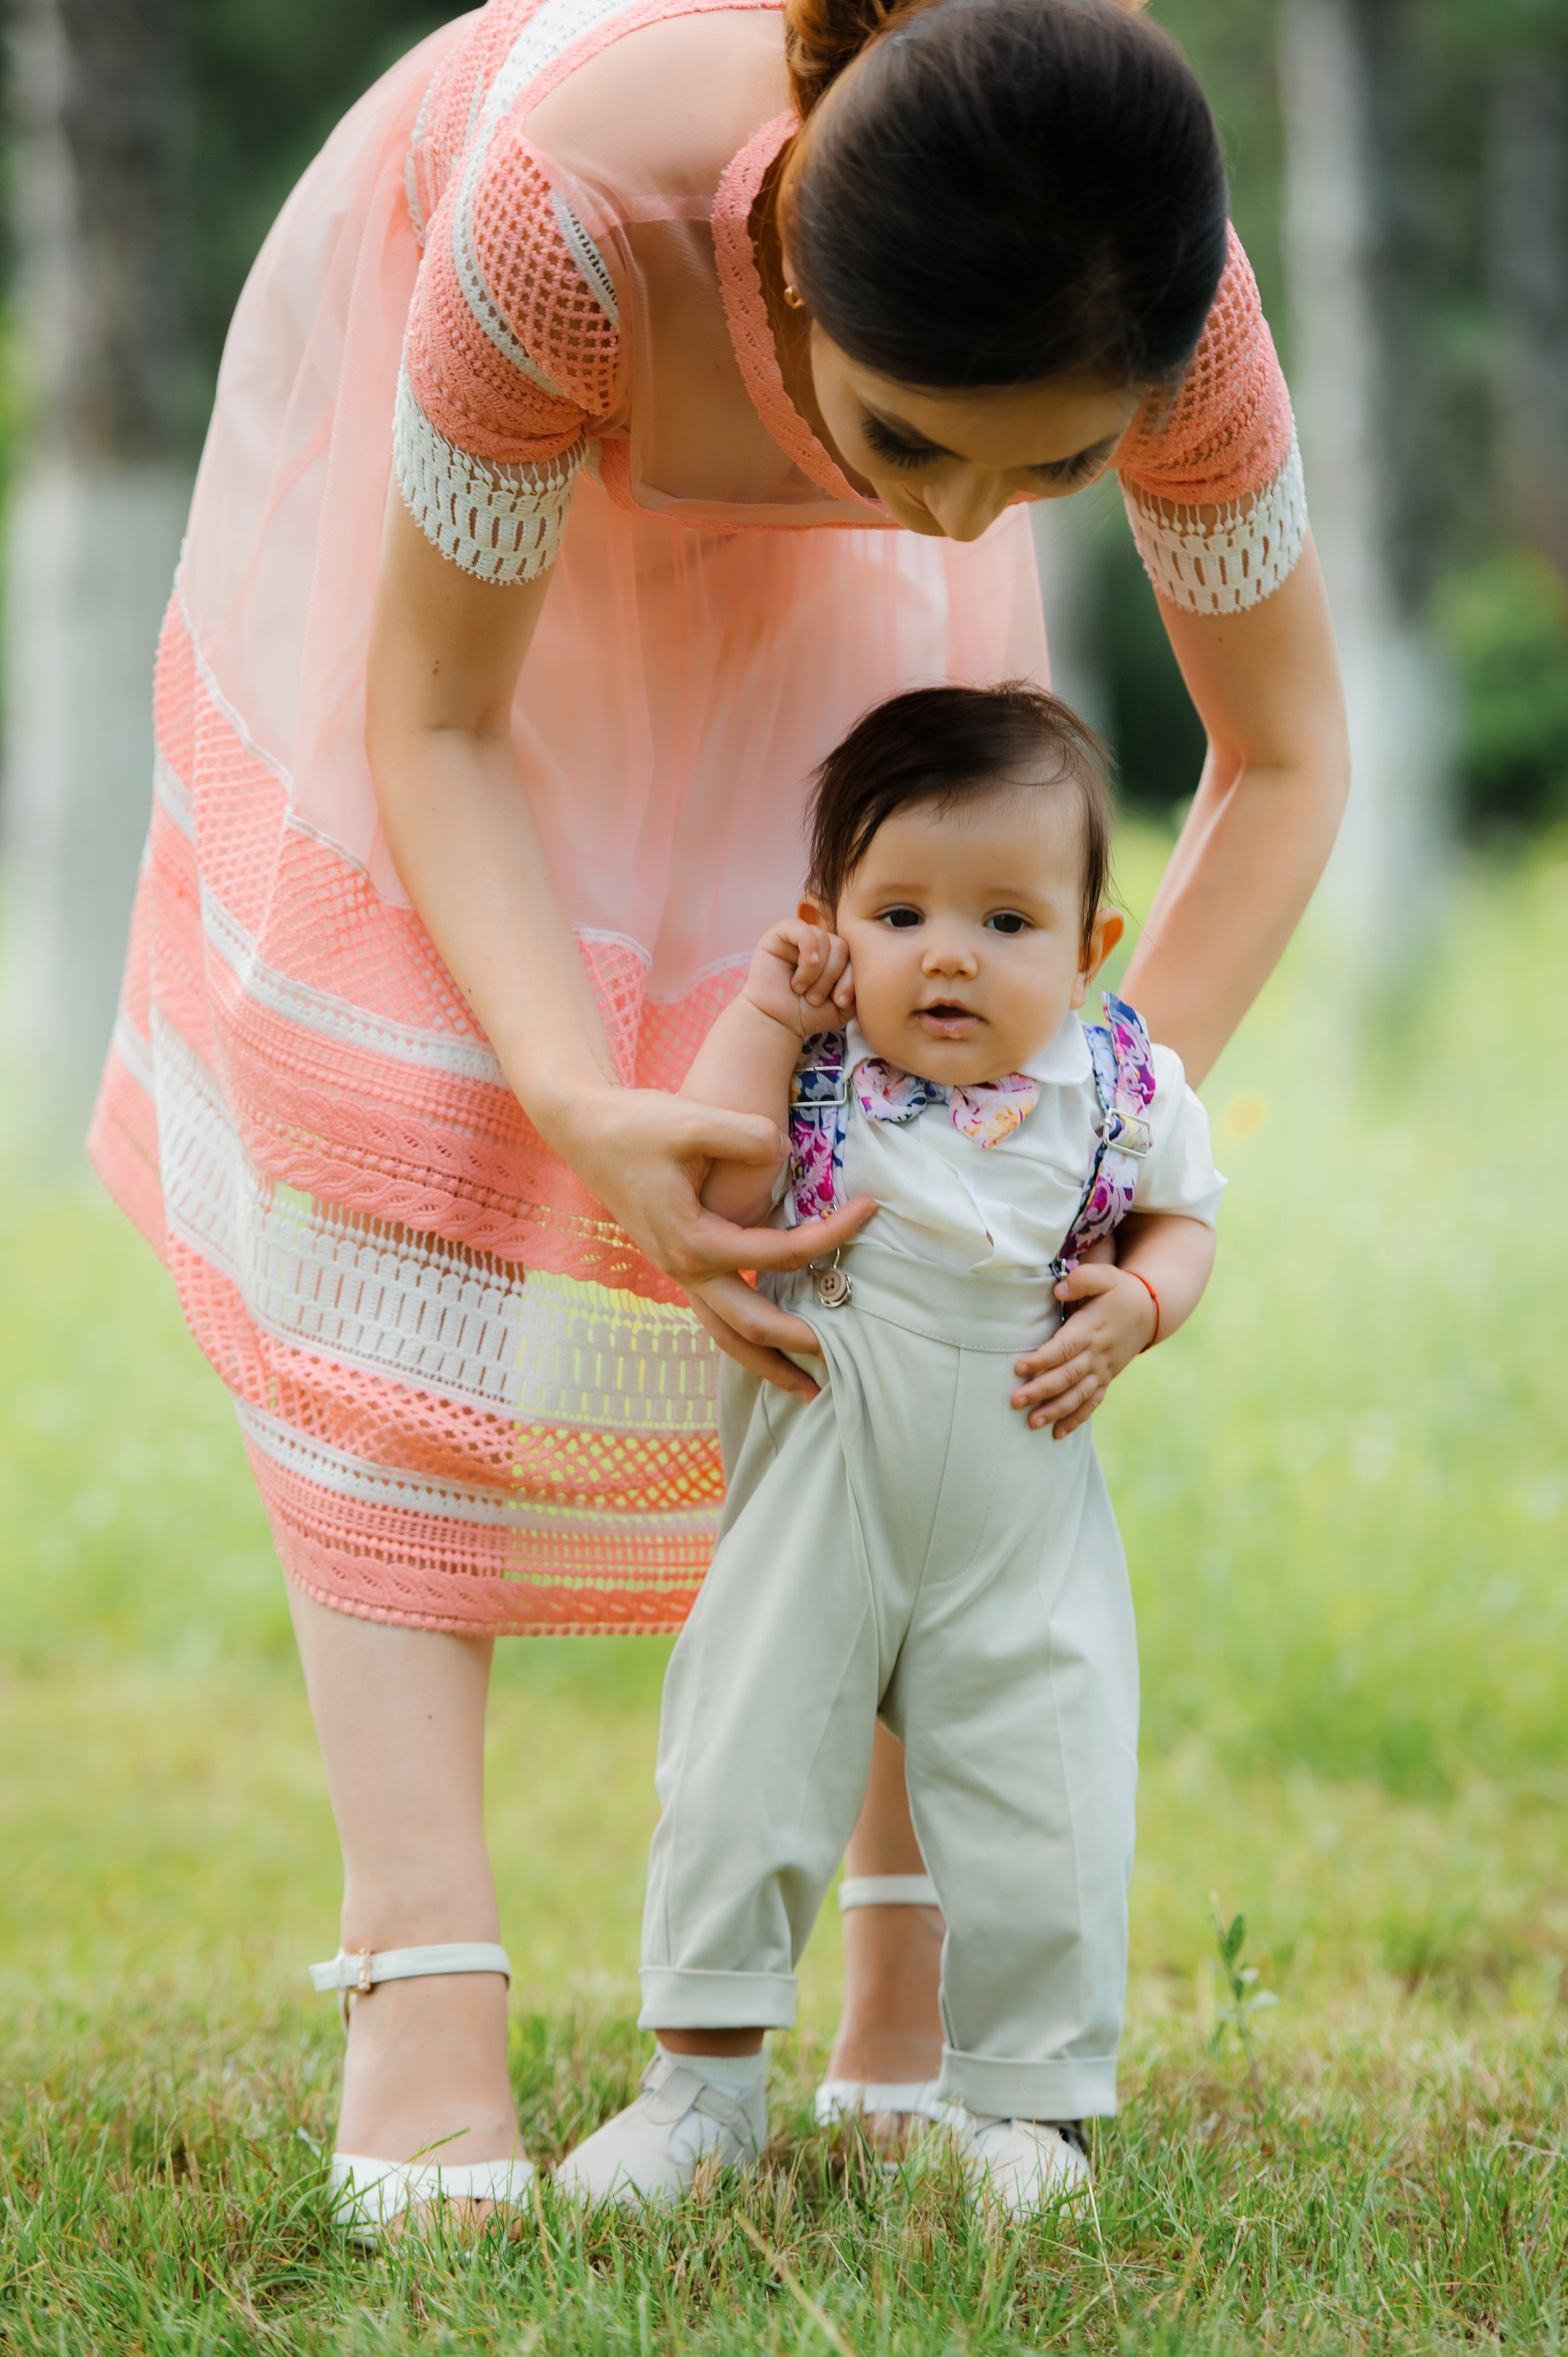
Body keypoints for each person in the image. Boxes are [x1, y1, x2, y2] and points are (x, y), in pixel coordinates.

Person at [87, 0, 1348, 2233]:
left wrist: (1057, 1128)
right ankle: (423, 1984)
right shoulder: (561, 229)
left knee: (884, 1239)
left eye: (1041, 479)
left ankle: (906, 1987)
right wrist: (576, 1099)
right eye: (913, 444)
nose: (961, 520)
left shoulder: (1145, 276)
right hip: (481, 585)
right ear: (790, 279)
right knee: (415, 1164)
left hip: (839, 546)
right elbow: (439, 722)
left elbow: (1282, 752)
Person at [554, 681, 1223, 2216]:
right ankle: (701, 2089)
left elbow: (1186, 1218)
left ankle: (1025, 2110)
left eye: (1005, 922)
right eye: (901, 910)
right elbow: (719, 1172)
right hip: (825, 1471)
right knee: (746, 1758)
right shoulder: (805, 1072)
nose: (948, 953)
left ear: (1085, 949)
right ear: (829, 924)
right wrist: (762, 1012)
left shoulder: (1119, 1085)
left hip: (1019, 1497)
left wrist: (1139, 1299)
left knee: (1048, 1787)